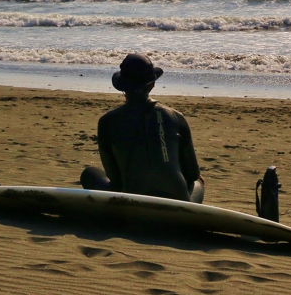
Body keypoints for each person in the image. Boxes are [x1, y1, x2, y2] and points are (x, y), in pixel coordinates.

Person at [80, 53, 205, 203]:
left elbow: (115, 179)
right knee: (198, 182)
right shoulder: (176, 117)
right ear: (152, 84)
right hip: (178, 200)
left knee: (89, 174)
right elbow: (192, 174)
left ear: (122, 88)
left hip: (131, 199)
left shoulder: (107, 121)